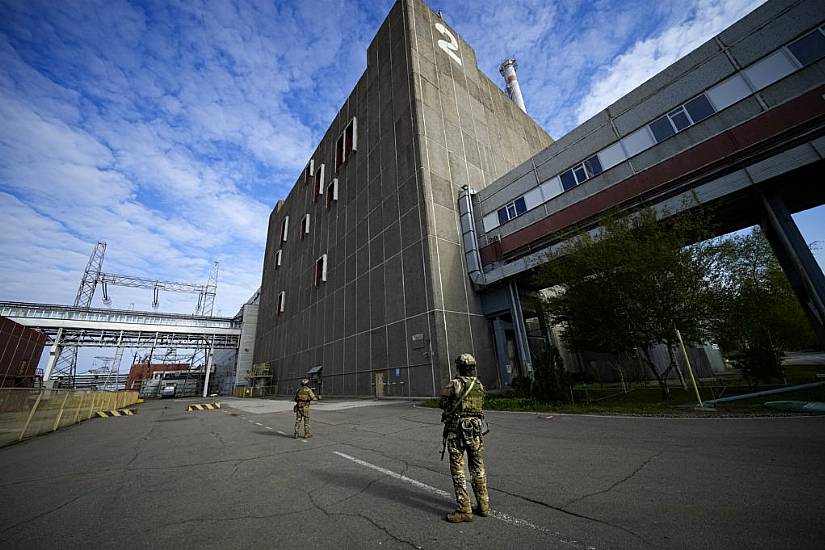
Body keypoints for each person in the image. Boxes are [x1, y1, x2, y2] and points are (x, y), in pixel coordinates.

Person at [439, 354, 490, 523]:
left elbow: (442, 403)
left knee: (458, 469)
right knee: (478, 467)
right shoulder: (479, 385)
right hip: (476, 431)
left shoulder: (455, 384)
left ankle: (464, 509)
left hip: (458, 431)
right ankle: (484, 506)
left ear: (459, 367)